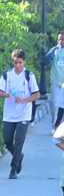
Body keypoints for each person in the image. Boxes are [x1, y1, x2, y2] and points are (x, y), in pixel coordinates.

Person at [0, 49, 40, 179]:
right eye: (15, 62)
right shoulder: (7, 75)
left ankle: (13, 169)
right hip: (9, 114)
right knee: (7, 140)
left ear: (24, 62)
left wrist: (24, 100)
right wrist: (6, 94)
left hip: (24, 114)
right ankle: (19, 156)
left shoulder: (29, 75)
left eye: (20, 62)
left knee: (19, 141)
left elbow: (36, 94)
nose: (18, 65)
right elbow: (0, 91)